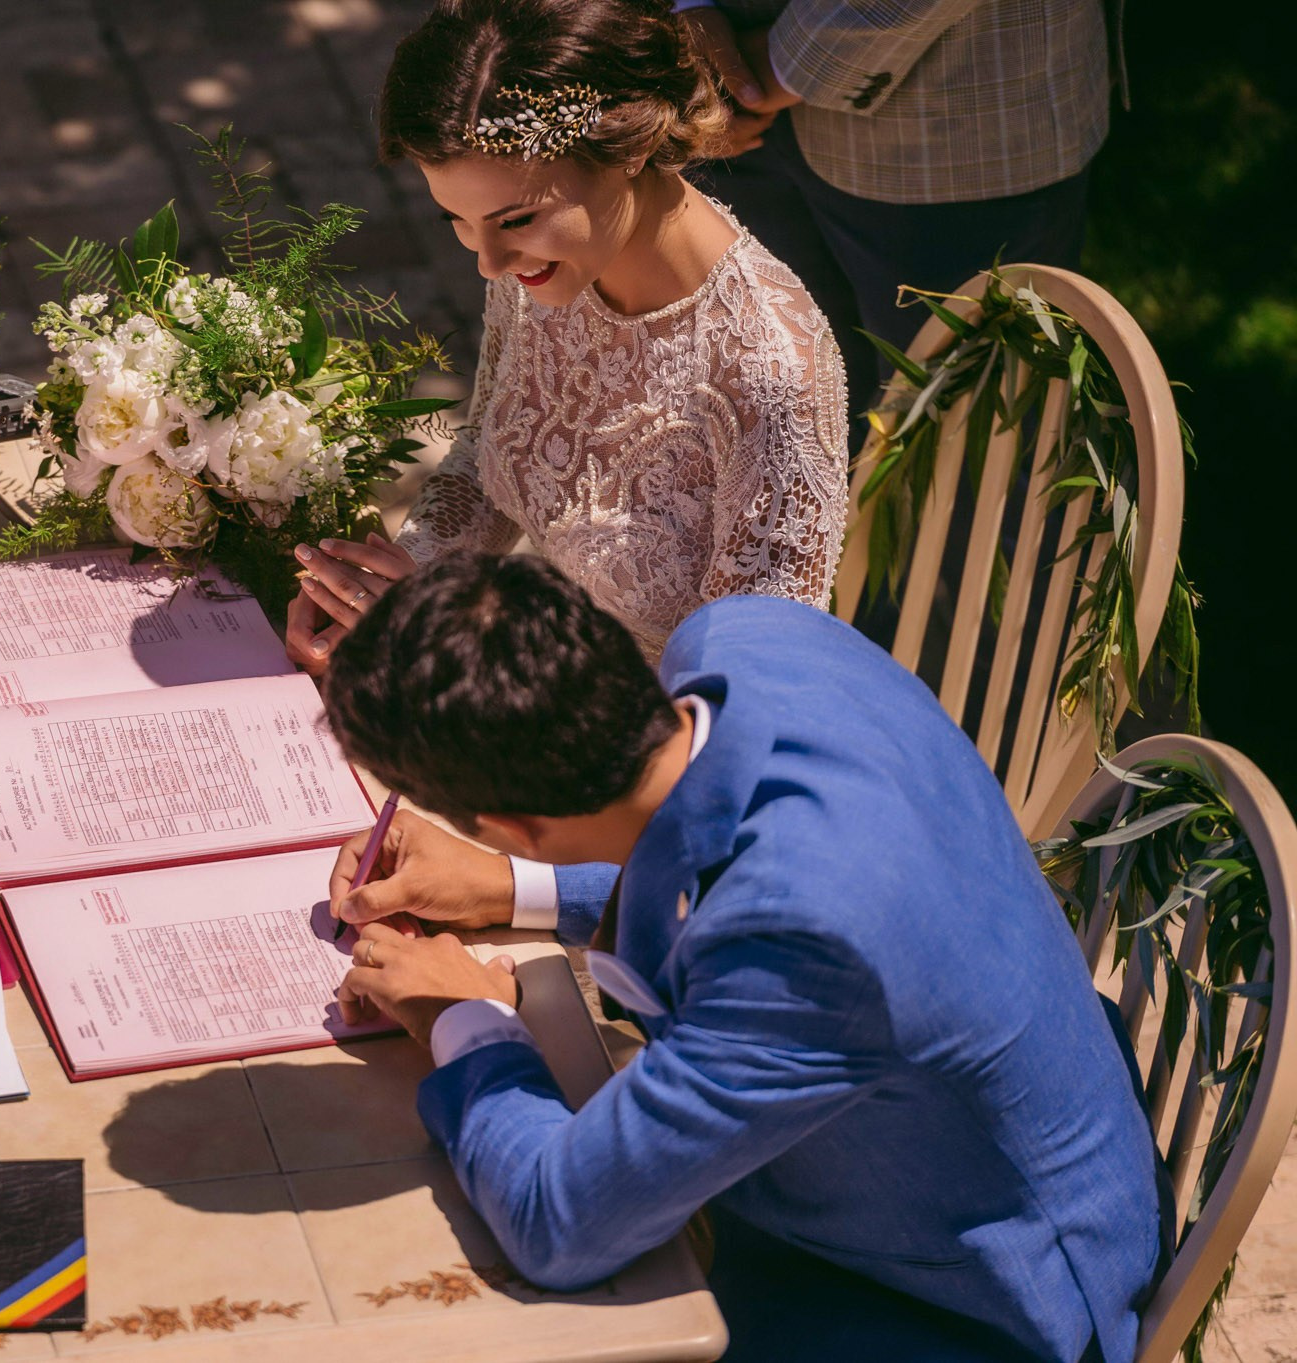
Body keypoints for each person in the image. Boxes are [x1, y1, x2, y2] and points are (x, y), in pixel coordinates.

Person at [319, 552, 1166, 1362]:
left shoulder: (806, 946)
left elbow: (557, 1220)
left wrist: (462, 1016)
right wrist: (513, 884)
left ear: (507, 818)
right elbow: (716, 842)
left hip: (968, 1302)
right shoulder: (747, 636)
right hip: (938, 1150)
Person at [284, 0, 850, 673]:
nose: (488, 262)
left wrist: (458, 643)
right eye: (456, 222)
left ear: (632, 145)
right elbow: (493, 450)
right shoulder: (544, 266)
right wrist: (396, 586)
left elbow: (747, 693)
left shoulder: (767, 375)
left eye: (515, 219)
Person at [675, 0, 1112, 419]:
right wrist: (682, 11)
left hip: (951, 125)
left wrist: (785, 63)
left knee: (960, 444)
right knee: (769, 411)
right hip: (715, 95)